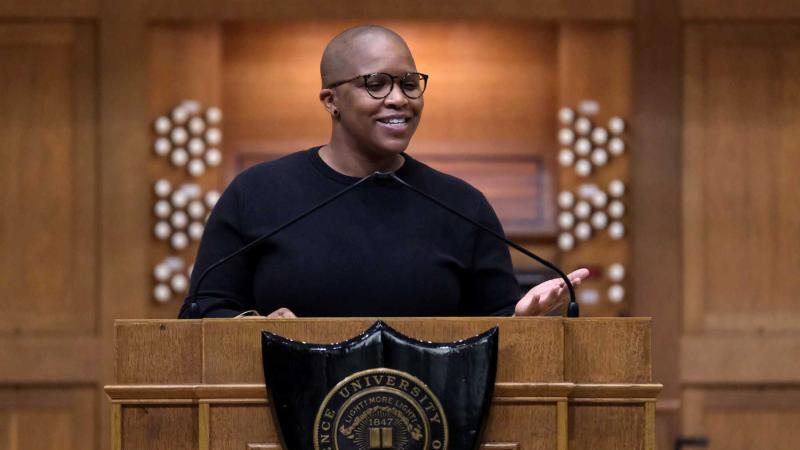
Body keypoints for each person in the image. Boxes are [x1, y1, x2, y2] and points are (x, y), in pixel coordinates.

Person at [178, 25, 588, 320]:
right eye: (375, 83)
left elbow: (495, 323)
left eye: (410, 84)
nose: (398, 99)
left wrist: (522, 322)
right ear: (330, 100)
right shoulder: (256, 192)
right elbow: (201, 312)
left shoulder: (462, 204)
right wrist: (252, 330)